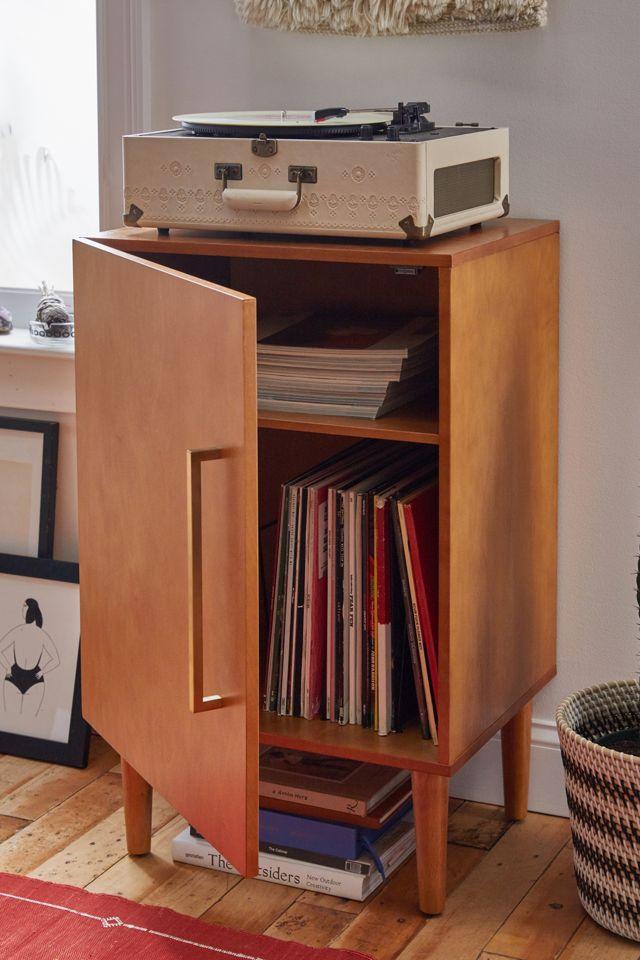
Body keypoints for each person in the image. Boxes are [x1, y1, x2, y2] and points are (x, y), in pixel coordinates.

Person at [1, 598, 60, 716]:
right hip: (15, 676)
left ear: (29, 609)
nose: (22, 609)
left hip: (34, 680)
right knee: (9, 716)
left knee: (30, 718)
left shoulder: (38, 634)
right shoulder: (20, 631)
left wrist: (43, 671)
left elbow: (56, 660)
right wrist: (7, 667)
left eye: (24, 606)